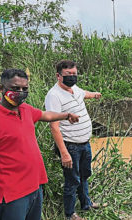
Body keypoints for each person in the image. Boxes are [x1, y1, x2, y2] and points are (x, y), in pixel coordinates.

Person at [0, 69, 79, 220]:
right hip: (12, 196)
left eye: (25, 89)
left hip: (35, 187)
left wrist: (66, 115)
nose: (21, 92)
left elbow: (45, 114)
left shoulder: (25, 109)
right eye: (15, 88)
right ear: (1, 89)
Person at [45, 60, 102, 220]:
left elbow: (83, 93)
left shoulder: (74, 88)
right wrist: (64, 153)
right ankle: (70, 214)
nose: (72, 77)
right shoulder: (54, 95)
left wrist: (94, 94)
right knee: (72, 180)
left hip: (84, 143)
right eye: (68, 75)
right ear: (58, 76)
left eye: (74, 74)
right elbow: (54, 127)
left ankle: (86, 204)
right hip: (71, 146)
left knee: (84, 175)